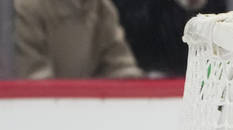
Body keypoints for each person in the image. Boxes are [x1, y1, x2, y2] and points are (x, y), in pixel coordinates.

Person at [14, 0, 144, 79]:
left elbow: (119, 64)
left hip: (87, 113)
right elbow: (32, 77)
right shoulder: (25, 7)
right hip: (32, 114)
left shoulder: (103, 8)